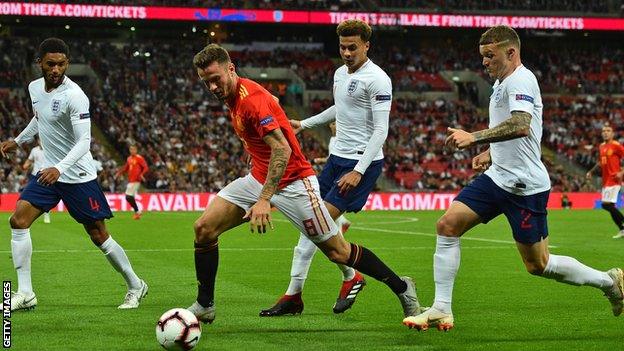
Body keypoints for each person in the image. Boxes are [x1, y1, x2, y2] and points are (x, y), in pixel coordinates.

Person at [402, 26, 623, 331]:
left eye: (489, 55)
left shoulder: (521, 79)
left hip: (524, 186)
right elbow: (512, 129)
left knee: (538, 265)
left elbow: (521, 125)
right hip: (498, 177)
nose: (484, 62)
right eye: (483, 56)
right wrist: (491, 152)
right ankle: (442, 307)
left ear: (511, 52)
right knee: (447, 225)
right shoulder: (502, 82)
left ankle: (608, 281)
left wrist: (475, 138)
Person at [186, 43, 421, 324]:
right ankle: (205, 305)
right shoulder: (235, 94)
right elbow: (268, 114)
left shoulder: (251, 100)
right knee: (204, 228)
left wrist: (263, 200)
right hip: (260, 177)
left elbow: (282, 150)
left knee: (338, 251)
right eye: (206, 82)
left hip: (295, 182)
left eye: (216, 79)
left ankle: (402, 287)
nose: (212, 87)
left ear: (231, 69)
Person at [1, 38, 148, 312]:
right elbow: (39, 118)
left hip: (77, 175)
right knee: (18, 220)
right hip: (50, 174)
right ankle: (25, 293)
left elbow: (84, 142)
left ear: (67, 63)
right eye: (50, 64)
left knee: (98, 235)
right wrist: (18, 140)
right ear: (40, 64)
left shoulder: (75, 95)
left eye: (61, 64)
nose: (56, 69)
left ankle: (135, 284)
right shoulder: (34, 87)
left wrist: (60, 168)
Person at [261, 19, 391, 316]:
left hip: (361, 163)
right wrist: (304, 124)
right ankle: (346, 277)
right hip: (336, 161)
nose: (346, 53)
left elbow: (381, 130)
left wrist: (358, 170)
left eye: (353, 47)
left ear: (367, 46)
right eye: (342, 47)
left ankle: (295, 294)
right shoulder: (339, 73)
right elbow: (340, 108)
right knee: (316, 227)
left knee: (312, 229)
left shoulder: (378, 79)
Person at [585, 125, 624, 239]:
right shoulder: (602, 146)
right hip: (606, 180)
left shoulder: (616, 145)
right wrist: (591, 171)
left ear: (612, 134)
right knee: (608, 205)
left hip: (614, 179)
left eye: (608, 131)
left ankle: (622, 227)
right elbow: (601, 162)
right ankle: (622, 229)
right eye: (603, 131)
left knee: (606, 205)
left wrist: (622, 172)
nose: (605, 133)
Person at [22, 136, 51, 224]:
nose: (41, 141)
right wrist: (26, 165)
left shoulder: (50, 150)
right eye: (40, 140)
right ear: (38, 141)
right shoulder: (34, 150)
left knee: (46, 196)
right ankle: (23, 214)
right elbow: (30, 160)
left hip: (45, 175)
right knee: (27, 194)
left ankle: (47, 214)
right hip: (34, 175)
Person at [115, 144, 149, 220]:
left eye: (133, 149)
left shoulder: (139, 158)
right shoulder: (129, 158)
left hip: (136, 180)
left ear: (136, 150)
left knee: (128, 196)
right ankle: (137, 212)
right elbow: (126, 168)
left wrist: (141, 174)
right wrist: (119, 173)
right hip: (130, 180)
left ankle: (137, 211)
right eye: (131, 149)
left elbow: (146, 167)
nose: (132, 151)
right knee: (129, 197)